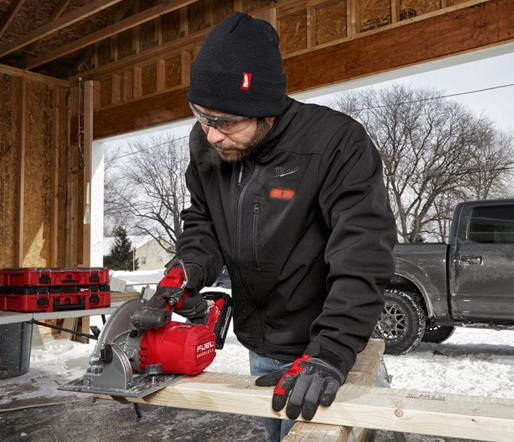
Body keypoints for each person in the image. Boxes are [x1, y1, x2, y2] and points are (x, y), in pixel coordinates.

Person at [166, 12, 397, 442]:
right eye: (201, 115)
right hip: (261, 345)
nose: (212, 135)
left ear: (266, 109)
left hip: (328, 348)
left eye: (227, 121)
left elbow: (364, 253)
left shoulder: (336, 143)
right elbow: (203, 222)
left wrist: (330, 352)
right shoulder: (208, 145)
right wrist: (189, 268)